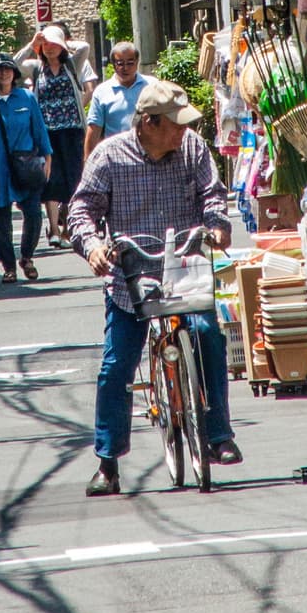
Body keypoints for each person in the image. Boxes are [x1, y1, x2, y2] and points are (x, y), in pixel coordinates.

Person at [67, 79, 242, 497]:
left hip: (185, 272)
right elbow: (80, 210)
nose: (182, 132)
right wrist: (92, 247)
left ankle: (218, 435)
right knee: (116, 365)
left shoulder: (194, 148)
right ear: (147, 123)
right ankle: (107, 463)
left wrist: (216, 225)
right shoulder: (110, 156)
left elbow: (212, 195)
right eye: (174, 125)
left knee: (206, 335)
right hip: (131, 278)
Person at [0, 53, 52, 282]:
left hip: (26, 166)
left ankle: (27, 257)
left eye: (7, 68)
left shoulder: (26, 98)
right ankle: (9, 267)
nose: (3, 73)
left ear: (14, 72)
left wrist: (48, 158)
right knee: (0, 221)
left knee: (34, 214)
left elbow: (39, 129)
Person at [18, 25, 96, 248]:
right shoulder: (35, 68)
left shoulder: (71, 65)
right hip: (47, 131)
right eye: (46, 45)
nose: (50, 49)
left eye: (54, 45)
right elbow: (14, 65)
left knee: (74, 178)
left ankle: (70, 228)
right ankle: (53, 229)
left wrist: (61, 40)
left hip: (72, 130)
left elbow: (85, 46)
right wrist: (32, 44)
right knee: (51, 179)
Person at [83, 41, 153, 162]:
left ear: (137, 62)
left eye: (130, 63)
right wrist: (88, 162)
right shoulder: (102, 92)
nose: (125, 68)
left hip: (150, 154)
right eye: (120, 64)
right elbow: (94, 130)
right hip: (117, 157)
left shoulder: (152, 86)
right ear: (114, 65)